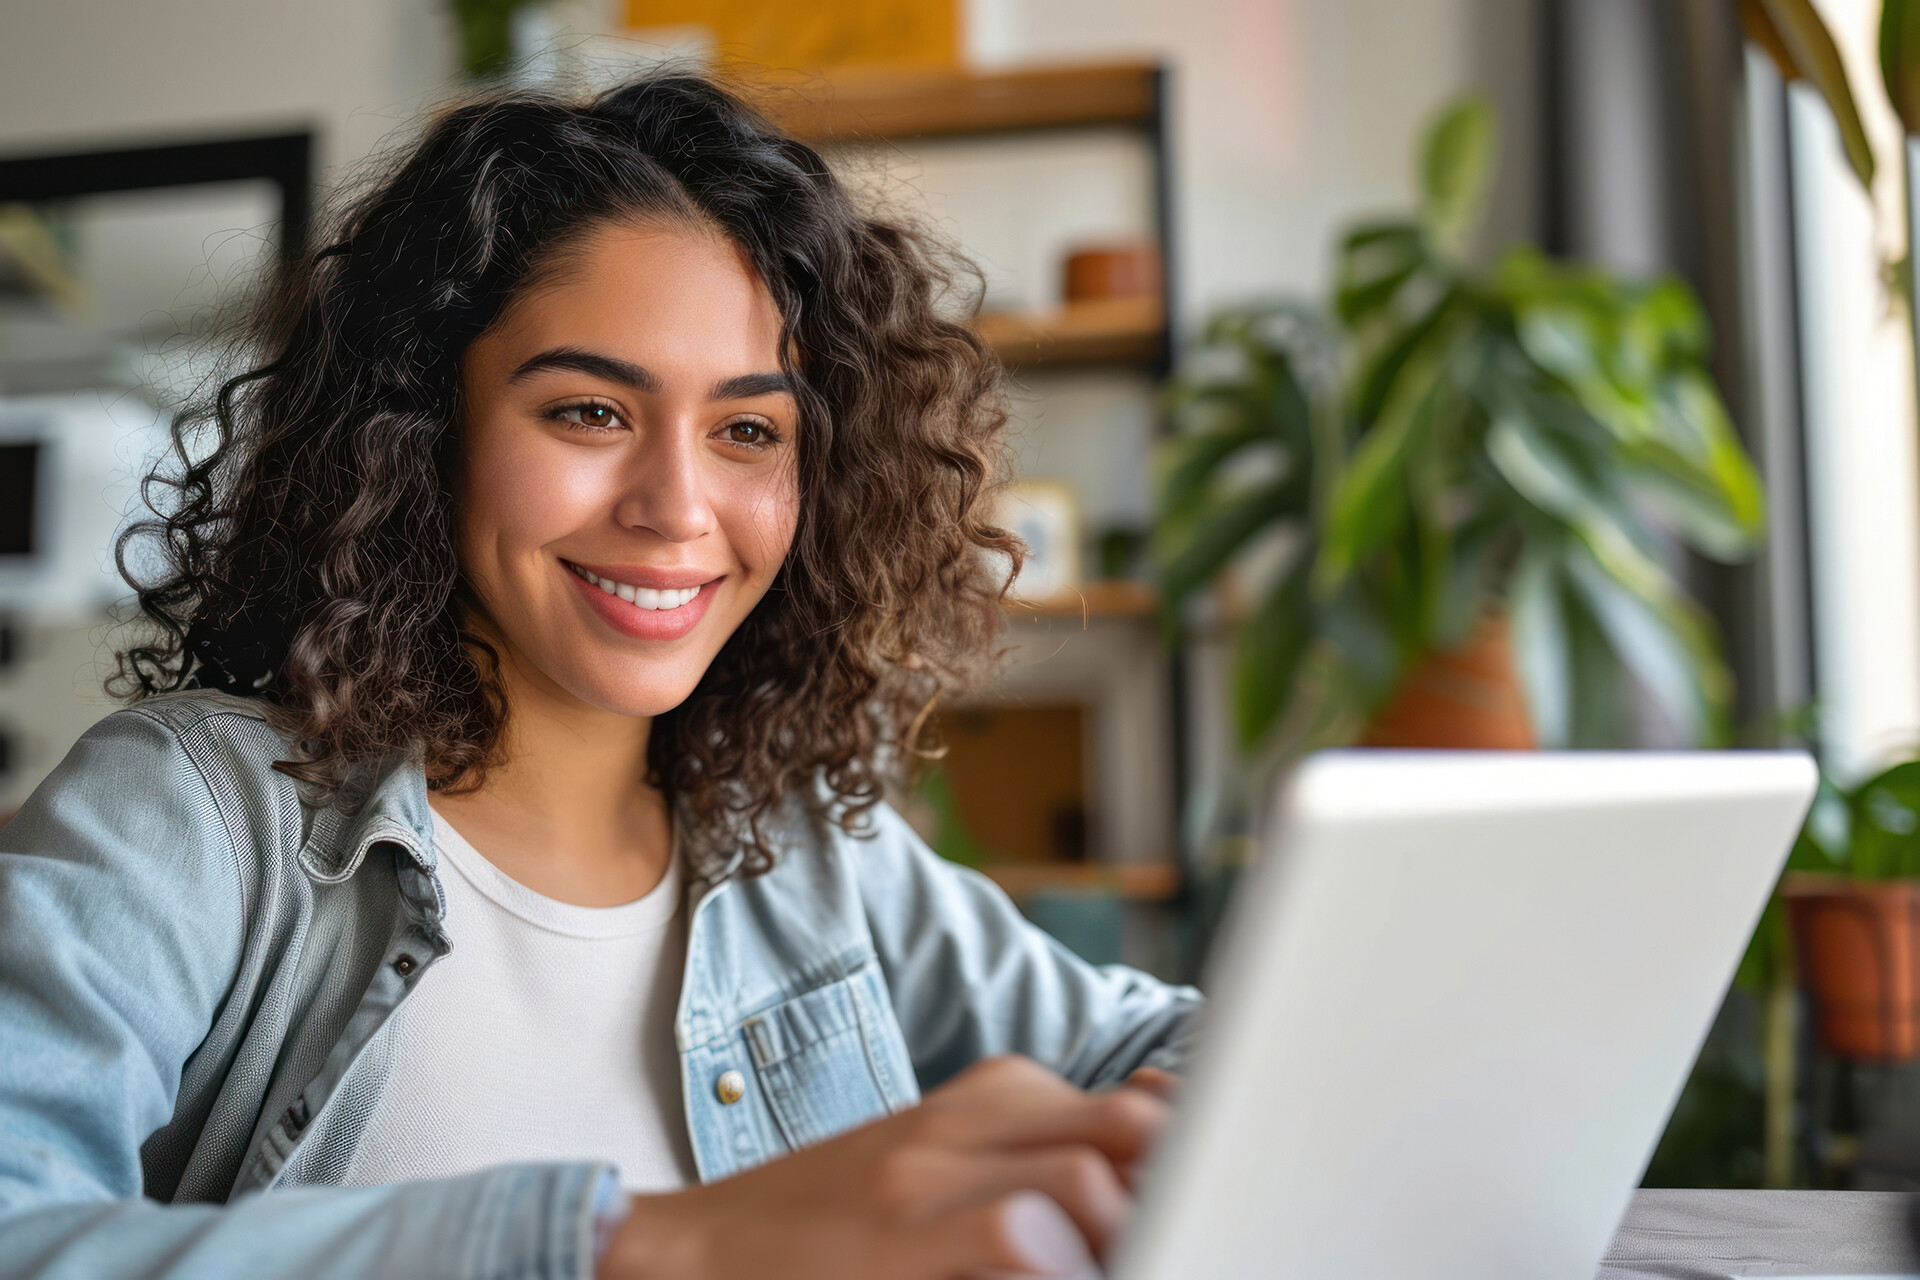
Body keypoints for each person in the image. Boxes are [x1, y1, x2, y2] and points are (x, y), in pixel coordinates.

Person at [0, 70, 1200, 1280]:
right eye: (588, 411)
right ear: (424, 429)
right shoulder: (197, 816)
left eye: (747, 431)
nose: (678, 509)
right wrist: (649, 1244)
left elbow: (1189, 1045)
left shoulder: (804, 854)